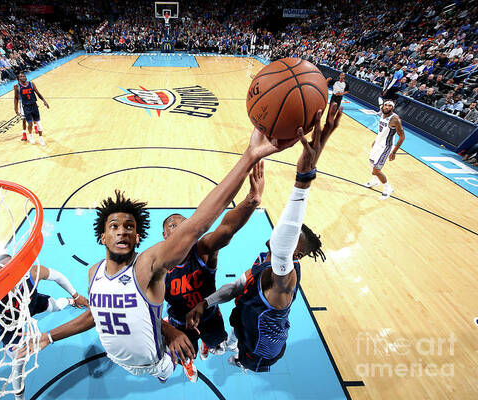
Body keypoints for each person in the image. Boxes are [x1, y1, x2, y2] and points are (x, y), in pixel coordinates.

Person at [18, 115, 331, 384]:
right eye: (114, 226)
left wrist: (250, 189)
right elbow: (98, 313)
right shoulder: (94, 273)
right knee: (179, 346)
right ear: (102, 236)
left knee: (200, 349)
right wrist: (49, 336)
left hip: (187, 330)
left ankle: (203, 353)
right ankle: (183, 353)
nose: (122, 230)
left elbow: (211, 226)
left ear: (139, 237)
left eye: (129, 226)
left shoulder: (161, 260)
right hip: (152, 336)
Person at [186, 108, 338, 372]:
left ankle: (242, 362)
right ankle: (233, 343)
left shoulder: (284, 281)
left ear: (296, 254)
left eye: (291, 240)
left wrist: (303, 179)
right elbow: (237, 286)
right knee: (238, 318)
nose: (280, 233)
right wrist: (206, 302)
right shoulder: (265, 260)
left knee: (244, 360)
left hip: (261, 347)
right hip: (246, 322)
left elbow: (283, 245)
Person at [162, 161, 265, 365]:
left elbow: (226, 229)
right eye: (173, 225)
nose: (179, 227)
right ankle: (188, 362)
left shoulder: (202, 249)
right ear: (164, 235)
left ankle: (206, 344)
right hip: (179, 325)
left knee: (217, 341)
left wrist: (251, 201)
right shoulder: (157, 264)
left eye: (183, 223)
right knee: (184, 356)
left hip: (210, 317)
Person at [0, 254, 89, 400]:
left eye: (13, 266)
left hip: (32, 304)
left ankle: (70, 302)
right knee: (19, 360)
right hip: (11, 326)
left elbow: (57, 276)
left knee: (57, 306)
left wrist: (75, 296)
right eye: (5, 271)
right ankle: (20, 398)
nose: (12, 272)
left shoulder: (32, 273)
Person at [364, 100, 405, 199]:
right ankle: (375, 180)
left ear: (393, 108)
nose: (386, 107)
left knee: (377, 170)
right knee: (371, 161)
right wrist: (376, 139)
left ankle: (388, 188)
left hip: (385, 147)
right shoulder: (382, 114)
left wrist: (394, 152)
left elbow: (402, 136)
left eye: (389, 106)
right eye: (385, 105)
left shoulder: (395, 120)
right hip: (378, 143)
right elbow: (381, 130)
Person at [14, 72, 49, 145]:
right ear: (19, 79)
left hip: (34, 105)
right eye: (21, 76)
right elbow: (16, 98)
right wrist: (16, 108)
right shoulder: (17, 86)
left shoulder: (31, 84)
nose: (23, 77)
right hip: (26, 107)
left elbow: (38, 93)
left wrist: (44, 101)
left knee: (39, 123)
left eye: (24, 76)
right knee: (29, 123)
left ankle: (41, 138)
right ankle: (30, 136)